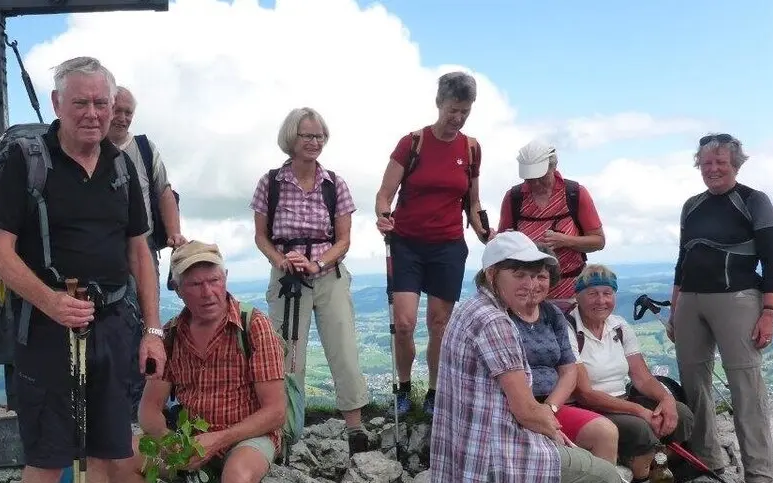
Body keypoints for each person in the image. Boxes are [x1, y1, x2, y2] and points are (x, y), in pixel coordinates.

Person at [0, 56, 165, 483]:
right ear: (57, 105)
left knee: (104, 454)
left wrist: (153, 329)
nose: (91, 113)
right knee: (48, 458)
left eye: (100, 103)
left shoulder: (120, 167)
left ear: (113, 108)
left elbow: (141, 252)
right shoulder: (25, 163)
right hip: (47, 329)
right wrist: (47, 301)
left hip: (113, 323)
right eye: (79, 102)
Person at [109, 241, 286, 483]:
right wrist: (171, 443)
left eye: (214, 280)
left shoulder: (253, 325)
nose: (208, 293)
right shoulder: (171, 336)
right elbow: (149, 410)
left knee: (239, 478)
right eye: (195, 284)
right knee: (118, 455)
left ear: (225, 279)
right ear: (178, 288)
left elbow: (275, 411)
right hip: (191, 440)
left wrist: (218, 440)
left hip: (247, 433)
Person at [429, 232, 645, 483]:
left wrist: (548, 419)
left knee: (591, 462)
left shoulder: (470, 308)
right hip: (496, 453)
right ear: (491, 275)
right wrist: (551, 427)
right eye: (518, 275)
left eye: (534, 274)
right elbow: (526, 412)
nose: (530, 284)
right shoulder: (495, 322)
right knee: (605, 479)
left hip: (468, 447)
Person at [669, 133, 773, 483]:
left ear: (736, 164)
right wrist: (675, 306)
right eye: (706, 163)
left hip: (738, 299)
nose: (713, 168)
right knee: (693, 381)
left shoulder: (754, 201)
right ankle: (706, 458)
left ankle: (760, 474)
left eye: (720, 162)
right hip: (691, 300)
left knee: (745, 384)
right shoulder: (691, 206)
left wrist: (768, 312)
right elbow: (681, 261)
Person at [251, 107, 370, 453]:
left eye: (319, 136)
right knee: (286, 356)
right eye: (307, 135)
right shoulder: (271, 182)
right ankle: (286, 431)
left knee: (343, 348)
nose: (315, 142)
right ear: (292, 138)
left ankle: (355, 429)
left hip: (327, 273)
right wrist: (281, 260)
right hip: (287, 275)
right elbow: (261, 236)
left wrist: (316, 263)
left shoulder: (334, 183)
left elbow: (344, 240)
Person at [374, 71, 488, 416]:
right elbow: (384, 194)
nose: (458, 118)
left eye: (465, 111)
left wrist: (485, 233)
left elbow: (473, 202)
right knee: (405, 322)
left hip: (448, 246)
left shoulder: (470, 149)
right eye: (453, 109)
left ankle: (436, 391)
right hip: (406, 243)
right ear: (439, 103)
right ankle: (404, 387)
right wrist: (383, 215)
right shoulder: (412, 143)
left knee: (440, 324)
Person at [493, 234, 620, 464]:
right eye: (527, 276)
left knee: (605, 432)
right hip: (514, 409)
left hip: (553, 405)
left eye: (542, 277)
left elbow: (569, 370)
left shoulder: (552, 315)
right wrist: (535, 414)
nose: (535, 284)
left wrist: (550, 408)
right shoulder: (501, 318)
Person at [564, 265, 695, 483]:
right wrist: (639, 411)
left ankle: (652, 466)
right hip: (590, 408)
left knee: (681, 414)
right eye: (592, 293)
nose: (601, 300)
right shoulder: (568, 328)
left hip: (621, 399)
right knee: (640, 427)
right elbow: (585, 393)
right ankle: (645, 481)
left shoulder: (619, 326)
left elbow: (642, 377)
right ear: (578, 296)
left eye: (607, 293)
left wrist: (666, 399)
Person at [109, 85, 187, 420]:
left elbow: (164, 191)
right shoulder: (90, 148)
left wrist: (174, 235)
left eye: (128, 112)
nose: (123, 118)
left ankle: (143, 408)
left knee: (144, 325)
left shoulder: (143, 148)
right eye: (118, 110)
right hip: (104, 255)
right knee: (116, 328)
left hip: (142, 251)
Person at [497, 140, 606, 311]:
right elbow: (502, 246)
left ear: (553, 168)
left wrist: (565, 240)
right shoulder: (514, 198)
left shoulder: (575, 193)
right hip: (526, 291)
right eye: (530, 180)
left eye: (541, 178)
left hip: (570, 289)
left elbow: (598, 241)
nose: (536, 184)